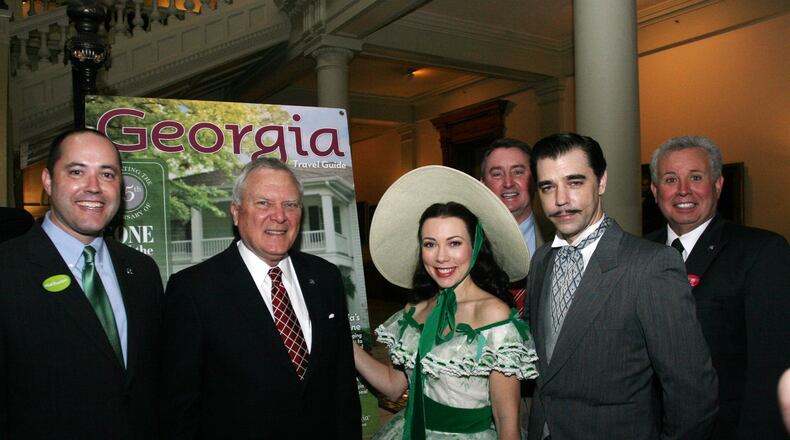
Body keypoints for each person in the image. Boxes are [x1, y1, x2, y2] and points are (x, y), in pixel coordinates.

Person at [526, 132, 718, 439]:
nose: (561, 199)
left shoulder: (651, 265)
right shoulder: (541, 261)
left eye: (575, 182)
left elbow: (692, 391)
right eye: (548, 187)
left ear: (601, 182)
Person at [159, 157, 361, 439]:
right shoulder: (193, 290)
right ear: (236, 212)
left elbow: (342, 387)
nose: (279, 216)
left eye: (290, 204)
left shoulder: (325, 278)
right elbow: (178, 407)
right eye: (264, 203)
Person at [0, 129, 163, 439]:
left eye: (107, 174)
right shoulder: (7, 270)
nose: (94, 188)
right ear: (48, 181)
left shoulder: (142, 271)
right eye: (77, 171)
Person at [357, 165, 538, 439]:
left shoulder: (494, 315)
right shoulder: (414, 311)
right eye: (430, 244)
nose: (441, 257)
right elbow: (394, 386)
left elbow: (505, 418)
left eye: (454, 243)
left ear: (475, 246)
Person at [646, 135, 790, 440]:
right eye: (671, 179)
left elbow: (771, 369)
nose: (683, 190)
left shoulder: (761, 252)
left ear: (718, 185)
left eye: (696, 177)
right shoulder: (637, 254)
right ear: (655, 190)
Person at [480, 138, 553, 259]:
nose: (508, 183)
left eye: (518, 172)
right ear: (483, 185)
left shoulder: (561, 233)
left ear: (536, 180)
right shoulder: (467, 239)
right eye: (497, 174)